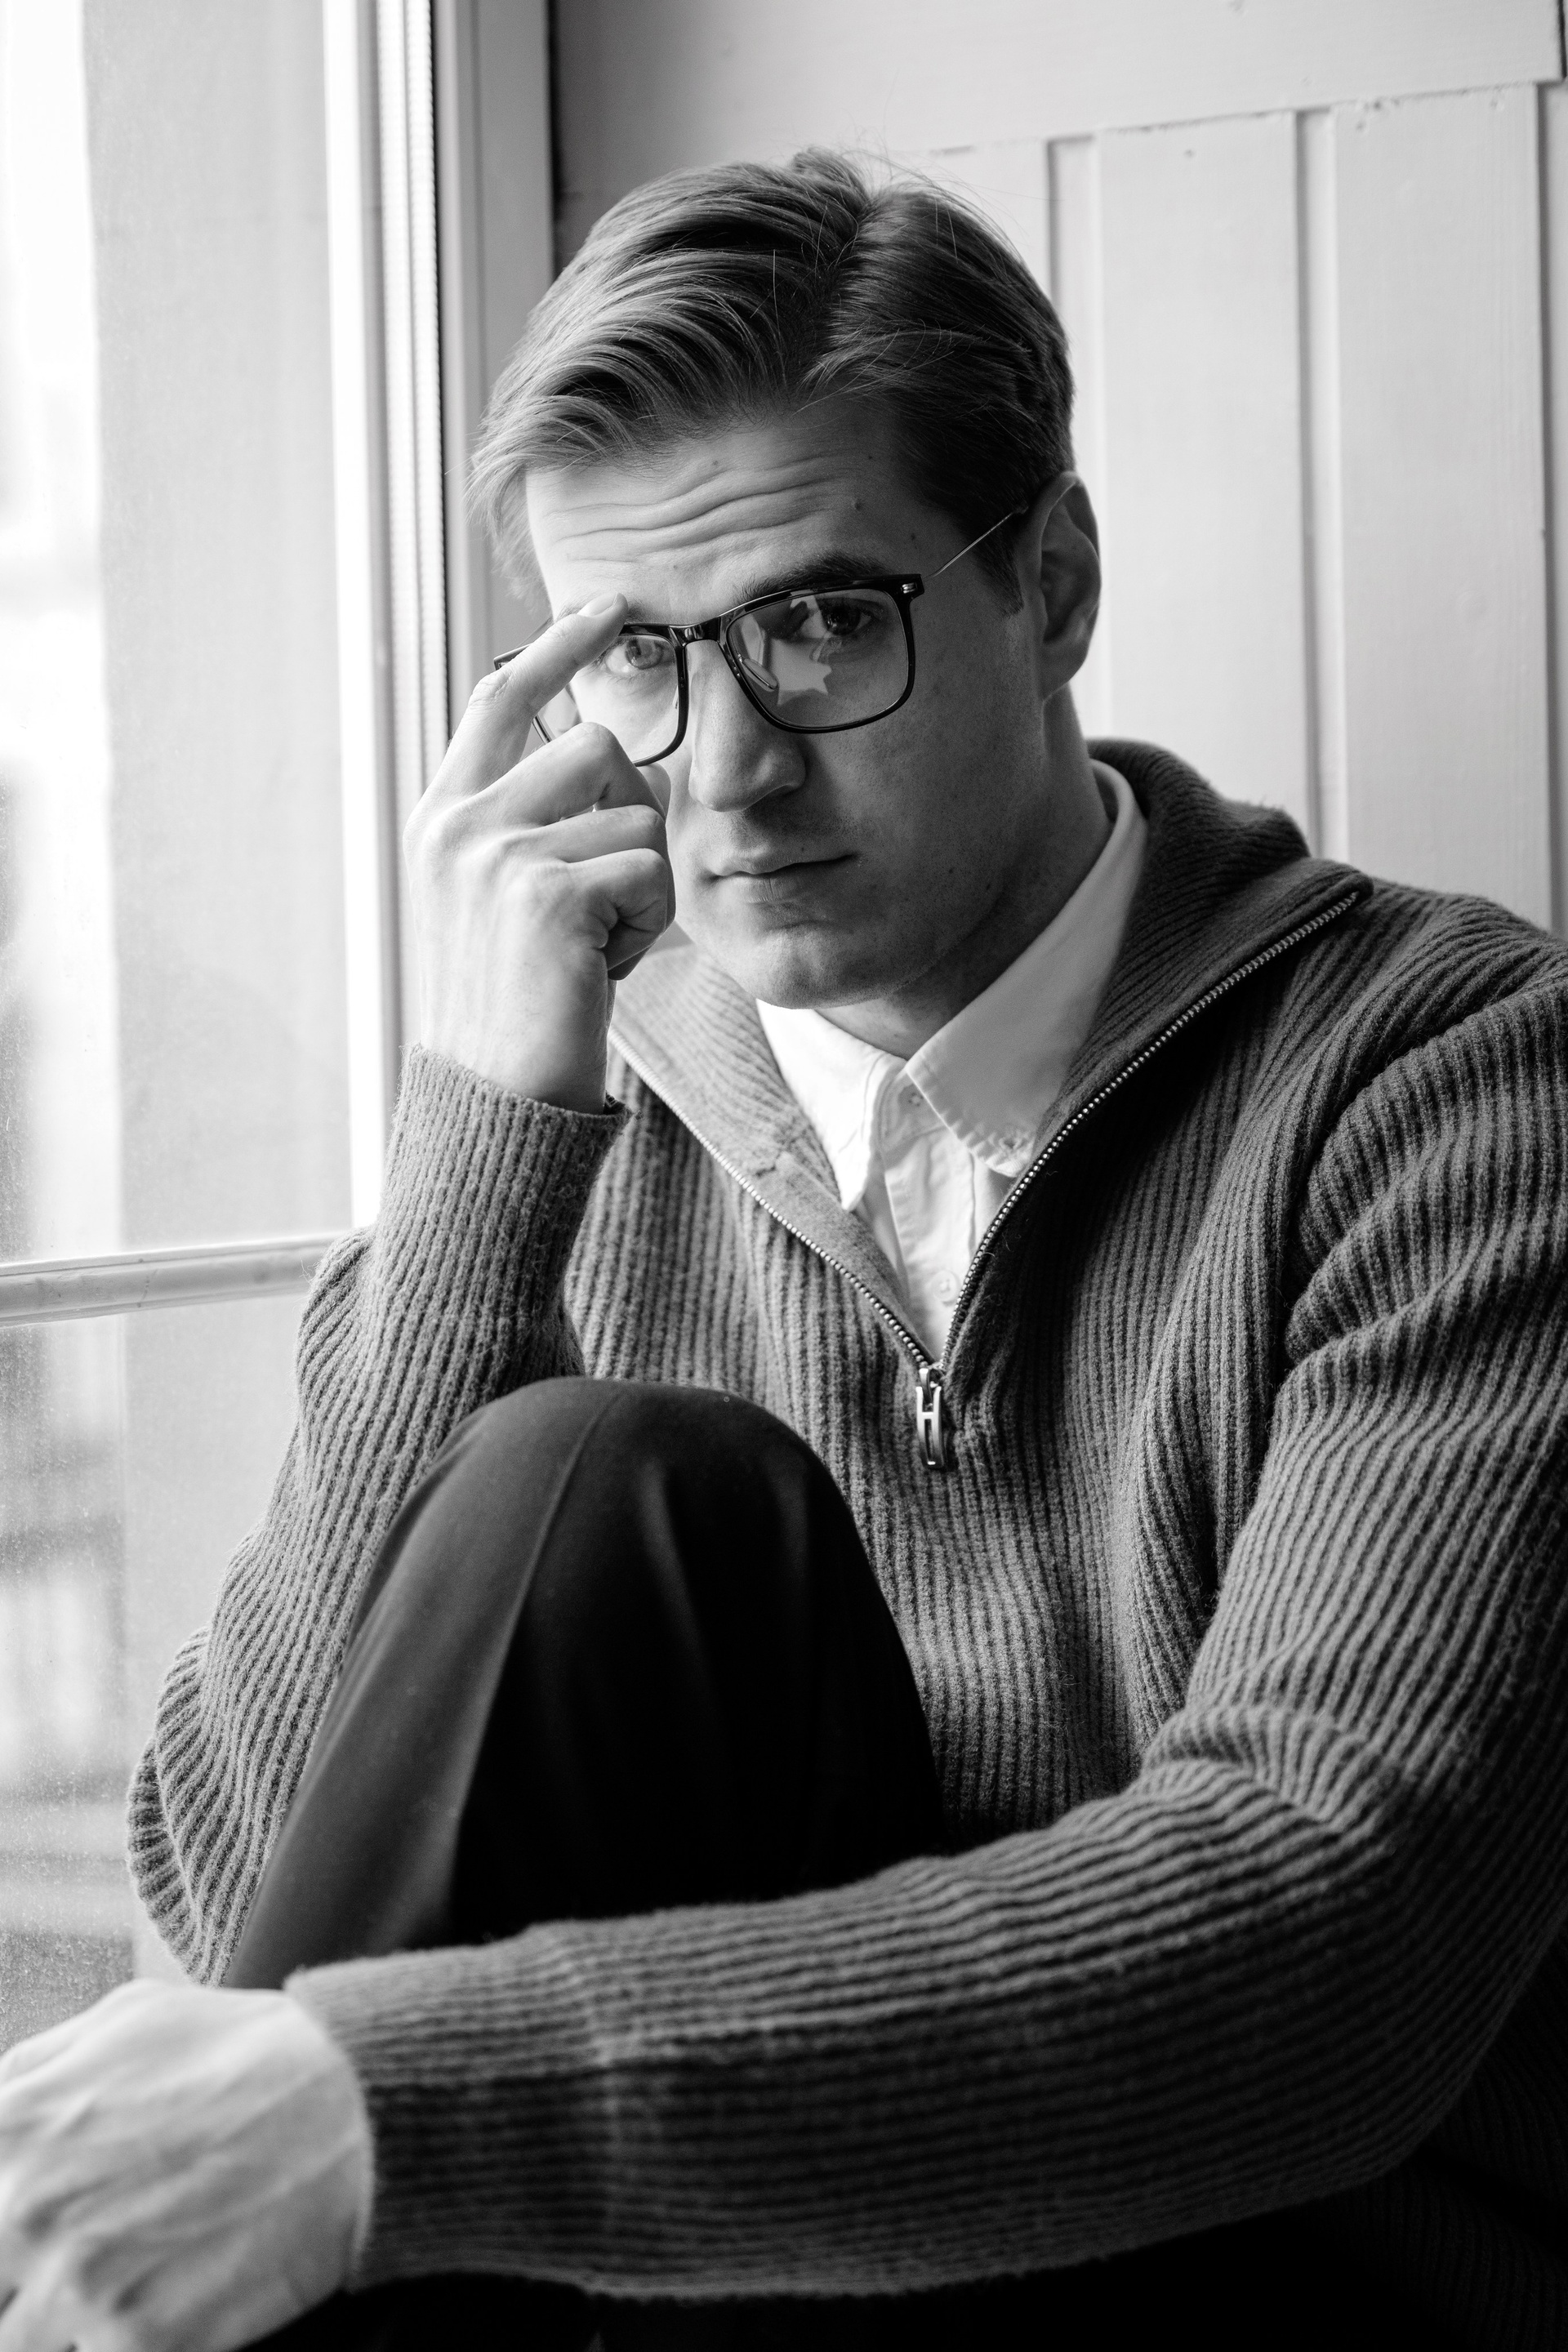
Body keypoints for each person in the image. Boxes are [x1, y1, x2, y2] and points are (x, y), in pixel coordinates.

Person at [1, 148, 1564, 2352]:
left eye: (820, 623)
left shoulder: (1456, 1084)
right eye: (634, 660)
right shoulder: (582, 1117)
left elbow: (1341, 1930)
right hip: (732, 2272)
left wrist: (398, 2108)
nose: (721, 770)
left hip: (1295, 2278)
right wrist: (476, 1140)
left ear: (1054, 584)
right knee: (603, 1481)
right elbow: (254, 1901)